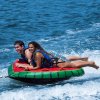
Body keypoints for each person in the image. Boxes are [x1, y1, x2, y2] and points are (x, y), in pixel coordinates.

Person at [19, 41, 99, 70]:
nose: (30, 49)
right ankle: (84, 59)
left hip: (57, 63)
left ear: (35, 47)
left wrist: (28, 68)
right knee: (69, 60)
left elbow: (38, 67)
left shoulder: (37, 54)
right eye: (29, 47)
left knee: (74, 65)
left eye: (31, 47)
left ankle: (90, 63)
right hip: (55, 60)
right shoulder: (37, 52)